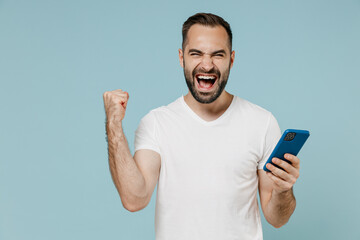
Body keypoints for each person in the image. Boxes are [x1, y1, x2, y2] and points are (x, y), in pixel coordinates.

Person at [103, 13, 300, 240]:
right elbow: (134, 199)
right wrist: (114, 125)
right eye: (196, 53)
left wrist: (284, 189)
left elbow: (277, 218)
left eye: (218, 55)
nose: (207, 64)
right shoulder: (157, 123)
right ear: (181, 58)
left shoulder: (262, 122)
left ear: (232, 59)